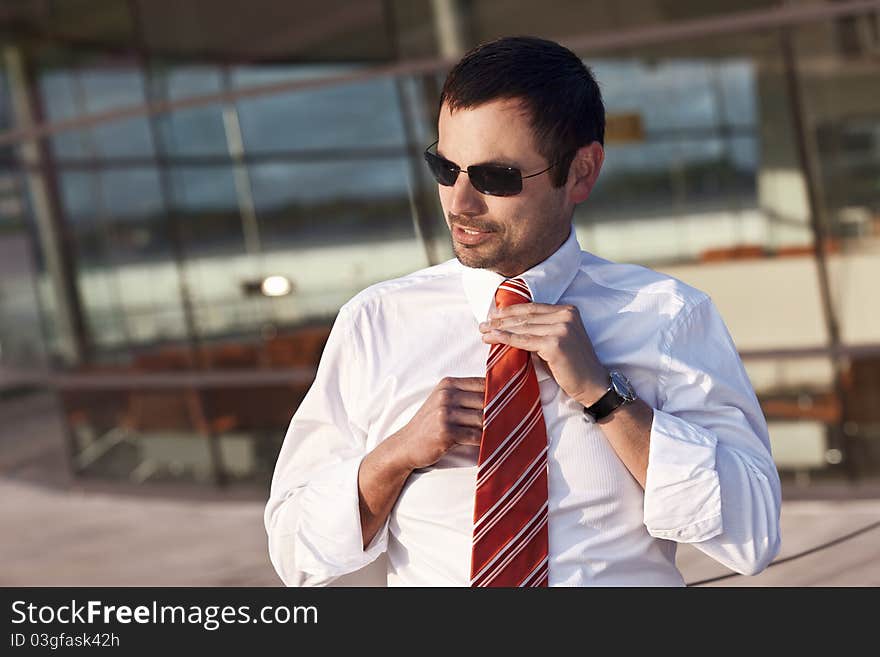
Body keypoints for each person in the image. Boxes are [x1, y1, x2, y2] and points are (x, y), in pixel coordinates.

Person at [264, 35, 782, 587]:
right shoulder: (376, 323)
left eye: (496, 178)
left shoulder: (669, 318)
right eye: (446, 168)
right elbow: (294, 550)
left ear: (582, 172)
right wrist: (393, 457)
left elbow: (751, 537)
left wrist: (606, 398)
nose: (460, 203)